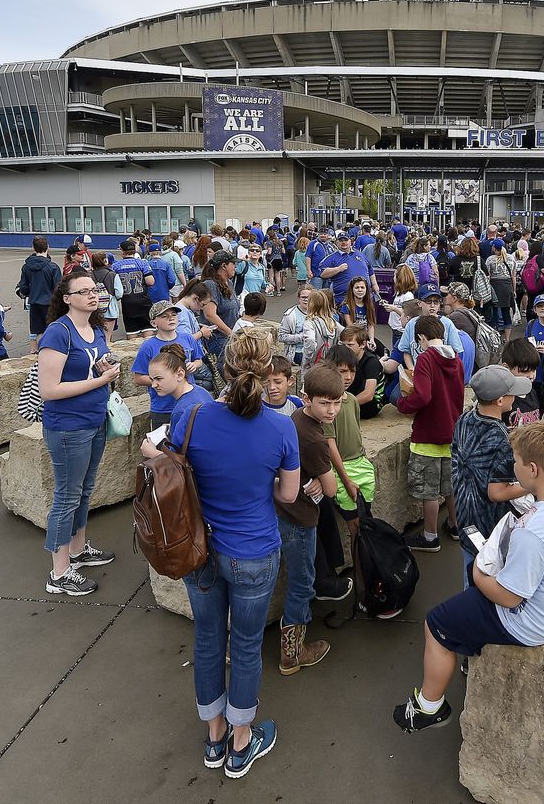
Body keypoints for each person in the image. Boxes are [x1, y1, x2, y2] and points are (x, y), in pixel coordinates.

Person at [392, 420, 544, 733]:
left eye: (516, 461)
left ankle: (429, 707)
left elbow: (509, 597)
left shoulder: (535, 532)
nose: (513, 466)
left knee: (436, 623)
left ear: (532, 469)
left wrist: (478, 572)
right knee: (467, 602)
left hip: (529, 621)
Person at [175, 328, 300, 780]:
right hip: (253, 552)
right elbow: (288, 494)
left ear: (223, 369)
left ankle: (214, 738)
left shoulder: (192, 417)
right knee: (245, 647)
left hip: (201, 550)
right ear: (269, 372)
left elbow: (177, 473)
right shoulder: (281, 425)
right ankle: (241, 743)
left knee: (209, 639)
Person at [37, 270, 120, 597]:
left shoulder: (96, 328)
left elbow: (92, 366)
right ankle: (59, 573)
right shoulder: (58, 333)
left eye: (94, 289)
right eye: (83, 291)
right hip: (68, 427)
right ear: (67, 298)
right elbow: (49, 389)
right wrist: (100, 381)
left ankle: (78, 549)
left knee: (85, 489)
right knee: (67, 495)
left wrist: (106, 369)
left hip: (95, 419)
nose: (92, 294)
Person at [273, 364, 341, 675]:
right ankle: (293, 652)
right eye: (325, 402)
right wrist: (321, 479)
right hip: (299, 517)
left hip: (280, 510)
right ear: (306, 398)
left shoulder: (296, 419)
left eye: (337, 402)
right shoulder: (313, 439)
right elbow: (330, 489)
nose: (332, 409)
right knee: (302, 582)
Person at [452, 365, 532, 580]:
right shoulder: (500, 440)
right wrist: (531, 485)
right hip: (487, 524)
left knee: (468, 570)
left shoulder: (464, 419)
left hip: (464, 513)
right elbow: (496, 493)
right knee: (486, 574)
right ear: (499, 400)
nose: (515, 397)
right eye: (511, 393)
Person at [397, 314, 466, 553]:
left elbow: (423, 396)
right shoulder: (456, 359)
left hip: (428, 434)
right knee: (450, 487)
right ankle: (456, 526)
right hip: (452, 431)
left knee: (429, 490)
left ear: (422, 338)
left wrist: (403, 404)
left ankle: (430, 536)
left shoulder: (426, 359)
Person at [322, 345, 377, 534]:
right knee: (356, 528)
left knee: (365, 525)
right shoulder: (329, 407)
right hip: (341, 471)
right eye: (343, 371)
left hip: (361, 466)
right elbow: (330, 445)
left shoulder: (353, 399)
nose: (348, 377)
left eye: (352, 371)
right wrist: (345, 480)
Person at [132, 301, 204, 428]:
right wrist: (162, 380)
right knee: (163, 445)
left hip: (188, 401)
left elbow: (199, 360)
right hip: (163, 407)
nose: (171, 318)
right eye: (164, 316)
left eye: (174, 315)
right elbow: (138, 378)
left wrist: (194, 364)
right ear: (154, 323)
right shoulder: (148, 347)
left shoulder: (188, 338)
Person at [138, 343, 212, 457]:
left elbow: (178, 461)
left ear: (180, 374)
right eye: (151, 379)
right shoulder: (201, 391)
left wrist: (152, 453)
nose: (153, 385)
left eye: (158, 379)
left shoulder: (180, 411)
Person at [17, 236, 63, 355]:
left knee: (38, 331)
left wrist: (31, 292)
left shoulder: (26, 267)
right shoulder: (52, 267)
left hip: (34, 302)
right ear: (48, 247)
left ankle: (41, 353)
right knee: (53, 329)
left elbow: (23, 287)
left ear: (33, 248)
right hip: (50, 303)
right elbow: (59, 288)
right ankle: (52, 353)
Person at [200, 250, 240, 366]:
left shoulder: (229, 283)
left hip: (230, 337)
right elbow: (210, 315)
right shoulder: (210, 285)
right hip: (218, 339)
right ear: (224, 266)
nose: (235, 266)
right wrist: (231, 334)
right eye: (233, 263)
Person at [338, 324, 385, 418]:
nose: (345, 348)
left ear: (363, 344)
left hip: (371, 404)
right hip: (353, 396)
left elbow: (368, 394)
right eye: (343, 345)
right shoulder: (343, 357)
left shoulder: (371, 361)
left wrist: (341, 406)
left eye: (350, 345)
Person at [112, 240, 156, 333]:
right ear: (135, 250)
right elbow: (150, 282)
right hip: (143, 300)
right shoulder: (142, 263)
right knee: (148, 330)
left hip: (127, 302)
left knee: (132, 332)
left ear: (122, 251)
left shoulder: (115, 266)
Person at [300, 288, 341, 369]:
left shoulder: (309, 323)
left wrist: (308, 358)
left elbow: (310, 340)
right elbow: (344, 334)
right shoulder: (333, 322)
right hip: (329, 363)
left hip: (314, 365)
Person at [278, 286, 312, 366]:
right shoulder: (290, 315)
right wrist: (301, 337)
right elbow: (281, 336)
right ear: (299, 298)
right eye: (303, 297)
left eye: (309, 297)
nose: (306, 299)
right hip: (298, 352)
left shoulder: (318, 313)